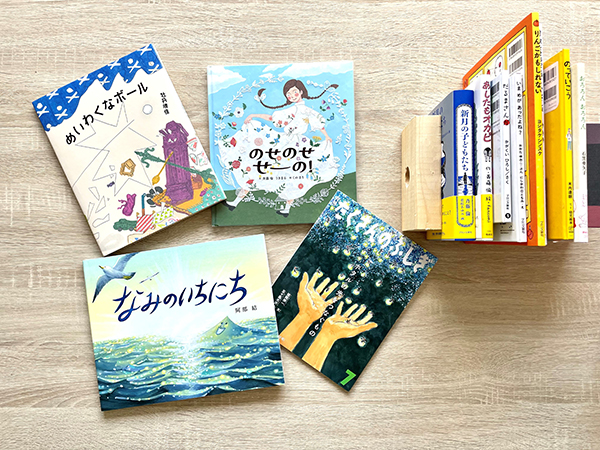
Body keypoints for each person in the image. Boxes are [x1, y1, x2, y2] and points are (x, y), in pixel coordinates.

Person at [218, 80, 340, 217]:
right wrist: (253, 116)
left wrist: (327, 137)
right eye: (288, 94)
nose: (292, 95)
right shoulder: (292, 110)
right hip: (284, 141)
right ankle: (236, 202)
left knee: (292, 174)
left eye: (294, 92)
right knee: (260, 166)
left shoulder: (306, 110)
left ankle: (285, 209)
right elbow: (272, 118)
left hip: (296, 144)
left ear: (301, 91)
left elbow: (319, 124)